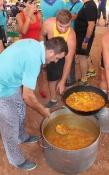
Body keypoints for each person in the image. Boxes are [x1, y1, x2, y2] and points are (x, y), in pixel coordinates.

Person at [0, 37, 68, 171]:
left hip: (11, 82)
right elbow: (28, 96)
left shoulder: (37, 46)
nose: (56, 61)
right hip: (2, 87)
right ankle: (16, 160)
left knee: (20, 109)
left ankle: (22, 136)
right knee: (10, 124)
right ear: (50, 52)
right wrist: (43, 111)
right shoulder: (34, 60)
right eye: (57, 58)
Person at [39, 9, 76, 108]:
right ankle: (53, 100)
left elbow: (68, 62)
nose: (63, 30)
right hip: (52, 56)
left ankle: (67, 103)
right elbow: (41, 35)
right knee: (52, 78)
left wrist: (63, 81)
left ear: (70, 22)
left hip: (66, 58)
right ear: (56, 21)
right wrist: (44, 53)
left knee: (69, 82)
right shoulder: (48, 24)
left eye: (67, 27)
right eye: (61, 26)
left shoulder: (71, 37)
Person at [16, 0, 47, 98]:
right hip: (26, 46)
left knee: (39, 70)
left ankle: (41, 88)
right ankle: (26, 92)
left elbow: (41, 31)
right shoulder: (20, 16)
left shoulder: (38, 14)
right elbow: (23, 31)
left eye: (34, 3)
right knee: (26, 70)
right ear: (24, 3)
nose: (33, 5)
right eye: (30, 3)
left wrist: (43, 45)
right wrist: (28, 16)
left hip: (37, 45)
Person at [74, 0, 97, 86]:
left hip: (84, 36)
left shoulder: (90, 6)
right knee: (85, 53)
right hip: (82, 35)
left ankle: (84, 80)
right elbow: (78, 16)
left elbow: (91, 25)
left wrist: (86, 40)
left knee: (82, 56)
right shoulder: (87, 4)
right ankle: (91, 70)